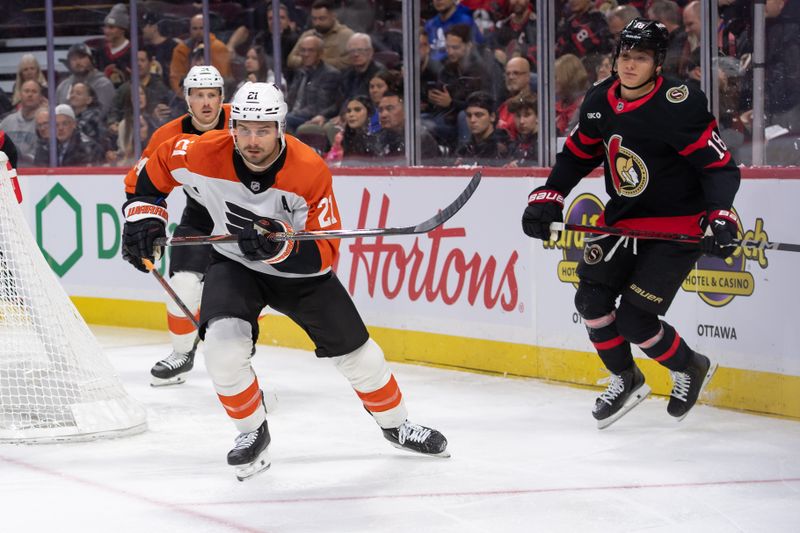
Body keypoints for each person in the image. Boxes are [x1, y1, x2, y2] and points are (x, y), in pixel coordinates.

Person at [121, 81, 449, 479]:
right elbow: (154, 169)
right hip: (234, 265)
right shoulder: (202, 152)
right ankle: (251, 432)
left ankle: (396, 424)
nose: (252, 140)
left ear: (280, 128)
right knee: (222, 352)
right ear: (232, 126)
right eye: (243, 128)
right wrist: (144, 216)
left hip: (301, 276)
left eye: (263, 130)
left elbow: (323, 253)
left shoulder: (309, 170)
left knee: (362, 357)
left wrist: (278, 248)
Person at [521, 18, 740, 429]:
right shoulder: (600, 98)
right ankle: (625, 378)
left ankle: (689, 366)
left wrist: (721, 215)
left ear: (657, 62)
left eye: (640, 58)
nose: (629, 65)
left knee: (635, 320)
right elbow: (577, 154)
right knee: (590, 300)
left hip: (675, 226)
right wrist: (549, 195)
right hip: (623, 220)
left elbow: (720, 167)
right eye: (625, 56)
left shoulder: (680, 103)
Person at [123, 65, 230, 386]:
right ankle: (182, 353)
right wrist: (142, 222)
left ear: (222, 98)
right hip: (200, 215)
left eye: (212, 95)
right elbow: (140, 184)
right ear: (187, 99)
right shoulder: (167, 135)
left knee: (255, 288)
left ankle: (238, 349)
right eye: (199, 96)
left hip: (248, 216)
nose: (206, 103)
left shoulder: (244, 122)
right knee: (182, 283)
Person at [34, 104, 102, 166]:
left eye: (65, 124)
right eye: (56, 125)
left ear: (74, 124)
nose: (60, 128)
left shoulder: (88, 147)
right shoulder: (46, 146)